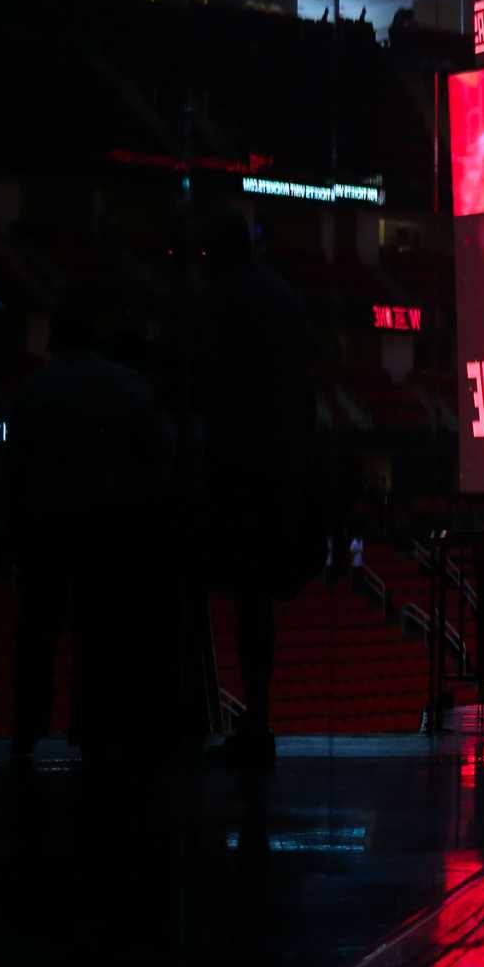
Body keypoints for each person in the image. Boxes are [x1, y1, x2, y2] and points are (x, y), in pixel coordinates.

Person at [6, 292, 175, 763]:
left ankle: (26, 733)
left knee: (37, 633)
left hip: (45, 528)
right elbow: (158, 461)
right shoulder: (128, 387)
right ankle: (97, 734)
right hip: (111, 530)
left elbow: (15, 469)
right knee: (99, 638)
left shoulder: (33, 389)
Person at [197, 211, 320, 768]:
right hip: (279, 467)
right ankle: (258, 715)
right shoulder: (285, 298)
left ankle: (239, 720)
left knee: (243, 595)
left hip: (233, 464)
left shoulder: (218, 301)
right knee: (256, 599)